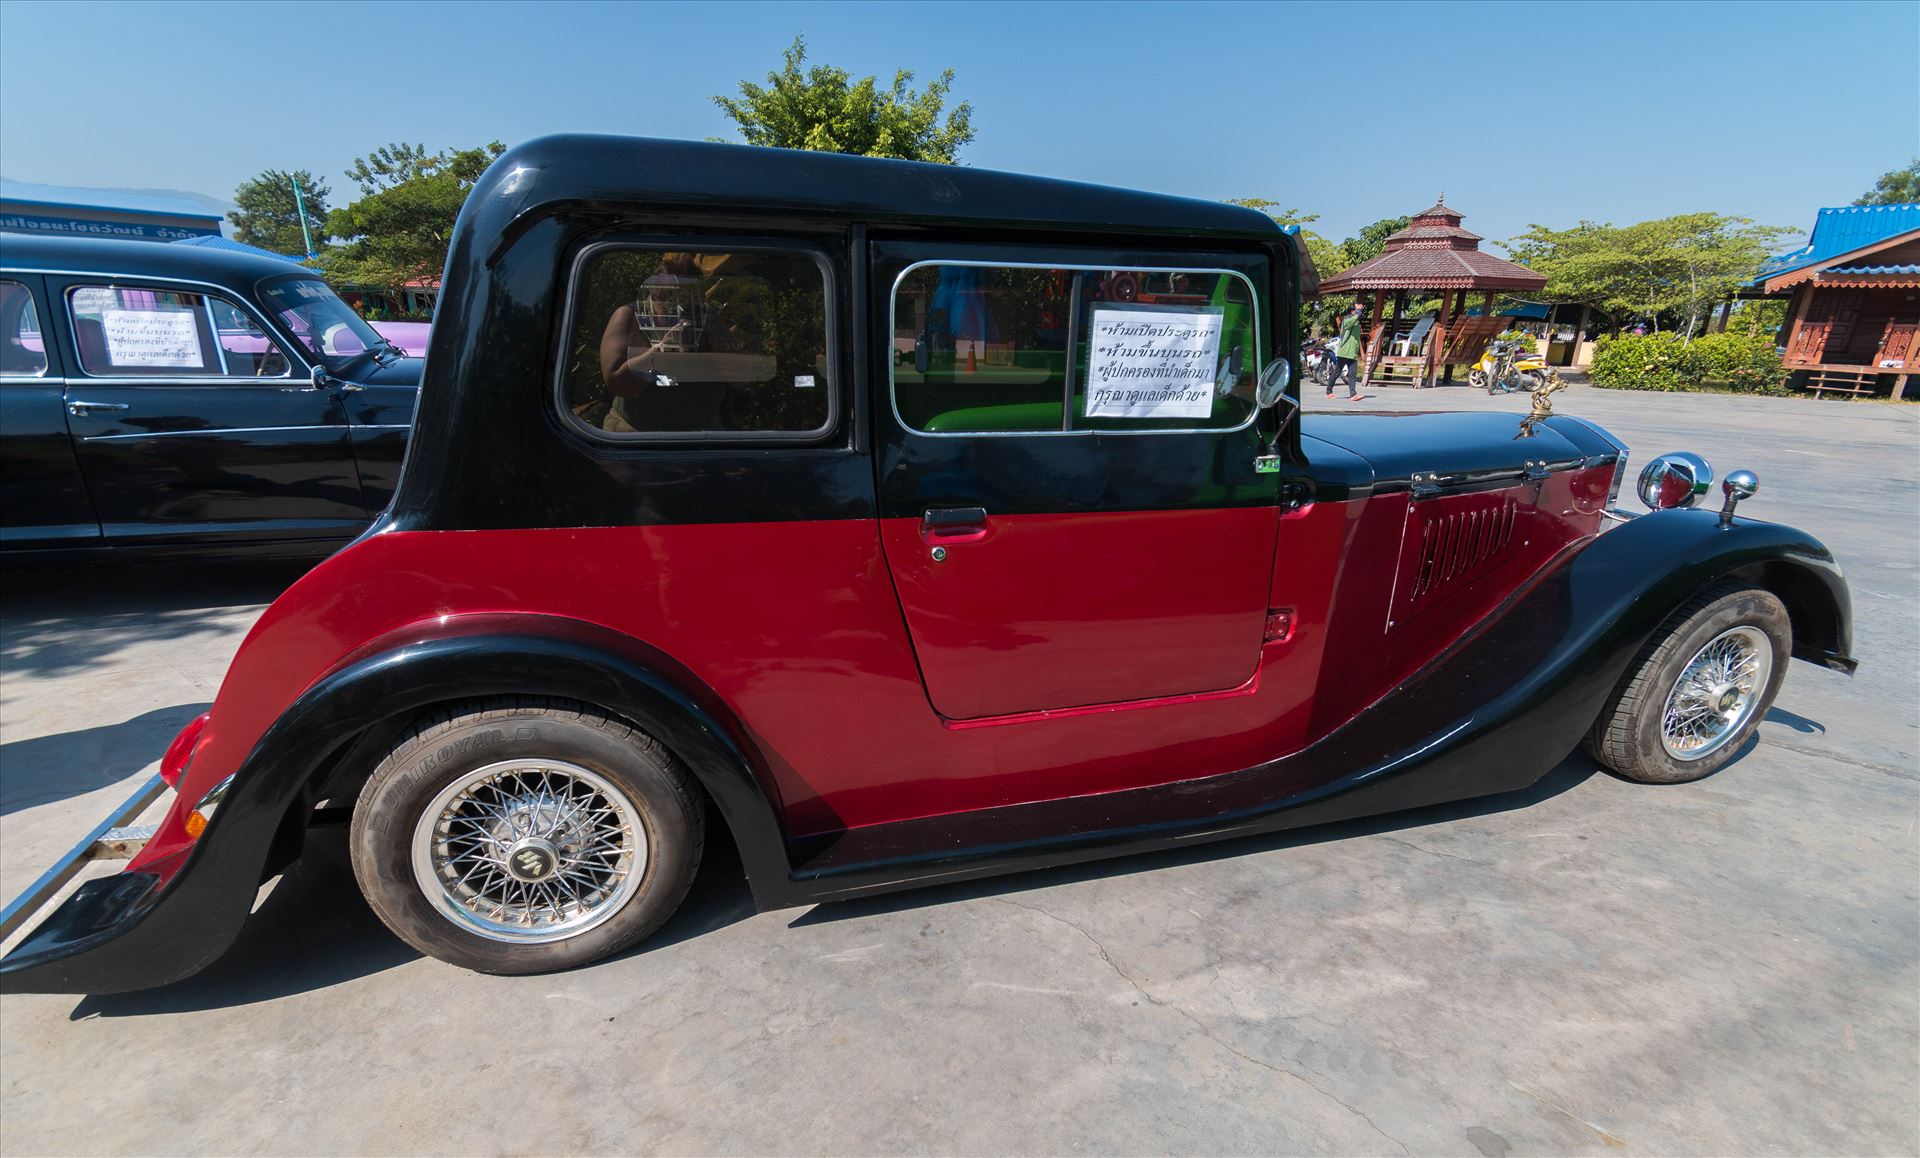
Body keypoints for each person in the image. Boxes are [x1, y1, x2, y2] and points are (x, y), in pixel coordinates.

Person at [1326, 301, 1368, 401]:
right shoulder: (1347, 320)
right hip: (1344, 352)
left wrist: (1361, 352)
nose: (1357, 312)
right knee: (1337, 372)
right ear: (1351, 311)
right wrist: (1358, 309)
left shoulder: (1356, 322)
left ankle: (1353, 394)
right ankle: (1329, 391)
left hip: (1352, 352)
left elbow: (1357, 339)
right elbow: (1354, 319)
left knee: (1352, 374)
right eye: (1355, 310)